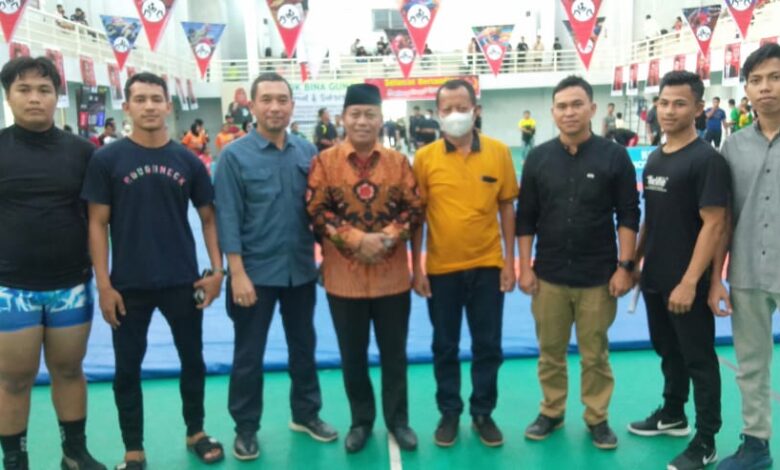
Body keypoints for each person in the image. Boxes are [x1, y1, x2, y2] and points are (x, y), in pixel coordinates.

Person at [82, 72, 225, 469]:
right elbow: (97, 224)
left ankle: (195, 431)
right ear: (126, 106)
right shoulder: (106, 160)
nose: (149, 106)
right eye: (140, 99)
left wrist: (217, 271)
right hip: (128, 285)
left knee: (193, 360)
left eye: (156, 99)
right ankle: (134, 449)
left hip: (183, 280)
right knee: (127, 370)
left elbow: (209, 218)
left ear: (168, 105)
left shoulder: (187, 160)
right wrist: (104, 285)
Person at [214, 72, 337, 461]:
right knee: (249, 355)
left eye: (282, 100)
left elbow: (319, 212)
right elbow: (227, 218)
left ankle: (306, 414)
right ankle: (246, 428)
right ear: (252, 106)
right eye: (266, 99)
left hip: (300, 270)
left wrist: (326, 258)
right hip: (254, 275)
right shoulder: (234, 156)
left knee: (304, 347)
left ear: (292, 105)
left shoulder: (306, 152)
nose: (275, 107)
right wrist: (237, 274)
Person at [516, 75, 640, 450]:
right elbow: (526, 218)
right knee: (550, 353)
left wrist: (625, 267)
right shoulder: (538, 158)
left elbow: (628, 214)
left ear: (592, 108)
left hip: (598, 277)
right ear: (552, 112)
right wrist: (525, 267)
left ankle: (597, 417)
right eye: (562, 106)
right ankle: (551, 411)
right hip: (549, 276)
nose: (569, 112)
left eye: (576, 104)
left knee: (595, 355)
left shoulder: (614, 157)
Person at [0, 57, 106, 470]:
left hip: (71, 286)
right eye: (24, 89)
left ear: (57, 96)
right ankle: (15, 459)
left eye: (44, 90)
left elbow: (100, 218)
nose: (34, 98)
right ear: (8, 96)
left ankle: (74, 453)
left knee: (69, 370)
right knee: (13, 378)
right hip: (11, 289)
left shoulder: (82, 152)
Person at [307, 83, 423, 454]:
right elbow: (315, 210)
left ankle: (398, 421)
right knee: (352, 357)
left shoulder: (398, 162)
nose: (362, 121)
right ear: (343, 118)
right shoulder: (324, 163)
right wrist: (355, 239)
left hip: (392, 280)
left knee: (395, 356)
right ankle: (361, 421)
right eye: (355, 114)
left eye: (369, 114)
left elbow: (414, 208)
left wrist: (386, 237)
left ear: (380, 118)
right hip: (344, 281)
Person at [628, 71, 730, 470]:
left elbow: (715, 224)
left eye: (680, 103)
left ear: (699, 108)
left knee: (698, 360)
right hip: (655, 277)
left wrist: (691, 282)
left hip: (688, 281)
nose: (669, 111)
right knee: (667, 350)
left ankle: (706, 440)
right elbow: (650, 219)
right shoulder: (655, 157)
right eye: (664, 103)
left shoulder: (707, 161)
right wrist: (634, 263)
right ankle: (673, 413)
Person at [412, 79, 518, 448]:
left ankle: (483, 412)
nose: (455, 114)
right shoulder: (424, 159)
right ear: (437, 113)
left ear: (476, 110)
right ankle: (449, 412)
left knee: (488, 345)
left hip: (488, 266)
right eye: (447, 109)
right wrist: (417, 268)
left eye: (462, 107)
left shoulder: (499, 153)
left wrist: (510, 262)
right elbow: (417, 217)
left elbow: (507, 207)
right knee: (445, 345)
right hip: (441, 271)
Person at [710, 43, 780, 470]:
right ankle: (756, 446)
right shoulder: (732, 148)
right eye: (756, 80)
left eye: (775, 77)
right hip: (748, 273)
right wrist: (717, 278)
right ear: (747, 90)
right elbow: (723, 219)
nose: (765, 87)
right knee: (751, 365)